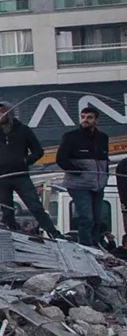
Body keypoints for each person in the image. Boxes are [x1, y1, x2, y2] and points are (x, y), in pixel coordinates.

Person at [0, 102, 54, 236]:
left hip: (20, 175)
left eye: (2, 111)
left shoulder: (23, 130)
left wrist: (25, 161)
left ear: (10, 113)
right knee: (7, 210)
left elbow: (38, 151)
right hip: (0, 177)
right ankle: (12, 235)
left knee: (35, 206)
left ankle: (53, 233)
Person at [57, 104, 112, 247]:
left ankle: (95, 243)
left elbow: (104, 159)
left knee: (98, 218)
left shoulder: (103, 138)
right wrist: (77, 171)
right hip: (79, 184)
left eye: (89, 117)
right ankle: (86, 245)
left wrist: (104, 175)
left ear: (96, 120)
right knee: (86, 217)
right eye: (83, 117)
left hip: (98, 184)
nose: (85, 120)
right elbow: (61, 159)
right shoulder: (71, 137)